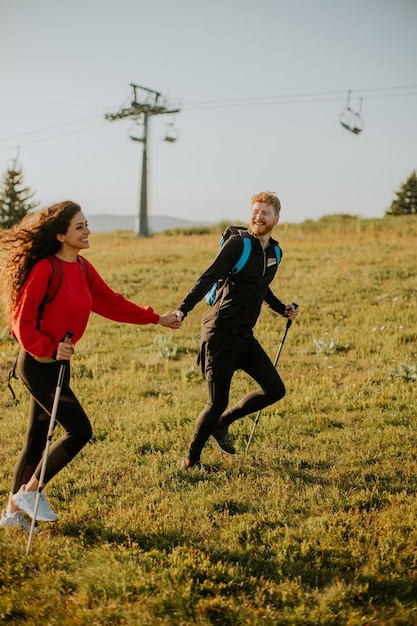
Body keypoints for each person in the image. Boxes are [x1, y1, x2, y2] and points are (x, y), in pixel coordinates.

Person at [0, 200, 181, 531]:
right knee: (80, 430)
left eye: (86, 224)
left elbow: (111, 303)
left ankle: (11, 516)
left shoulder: (81, 268)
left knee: (37, 438)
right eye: (79, 227)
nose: (87, 231)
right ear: (60, 235)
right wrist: (50, 348)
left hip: (58, 363)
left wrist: (157, 318)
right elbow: (20, 324)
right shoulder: (45, 269)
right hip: (38, 364)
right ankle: (30, 492)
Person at [175, 191, 299, 470]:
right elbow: (208, 276)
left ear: (276, 218)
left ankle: (222, 424)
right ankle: (191, 461)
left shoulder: (275, 252)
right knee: (216, 401)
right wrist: (183, 309)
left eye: (265, 212)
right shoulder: (237, 245)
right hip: (219, 332)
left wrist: (282, 309)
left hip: (245, 336)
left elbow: (261, 285)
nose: (259, 216)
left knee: (275, 389)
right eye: (255, 211)